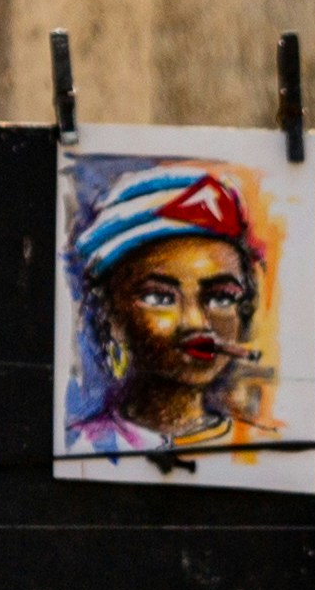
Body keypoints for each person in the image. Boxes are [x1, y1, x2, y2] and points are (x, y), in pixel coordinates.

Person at [65, 165, 274, 453]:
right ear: (111, 313)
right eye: (161, 298)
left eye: (221, 298)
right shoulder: (80, 447)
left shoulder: (265, 450)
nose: (196, 322)